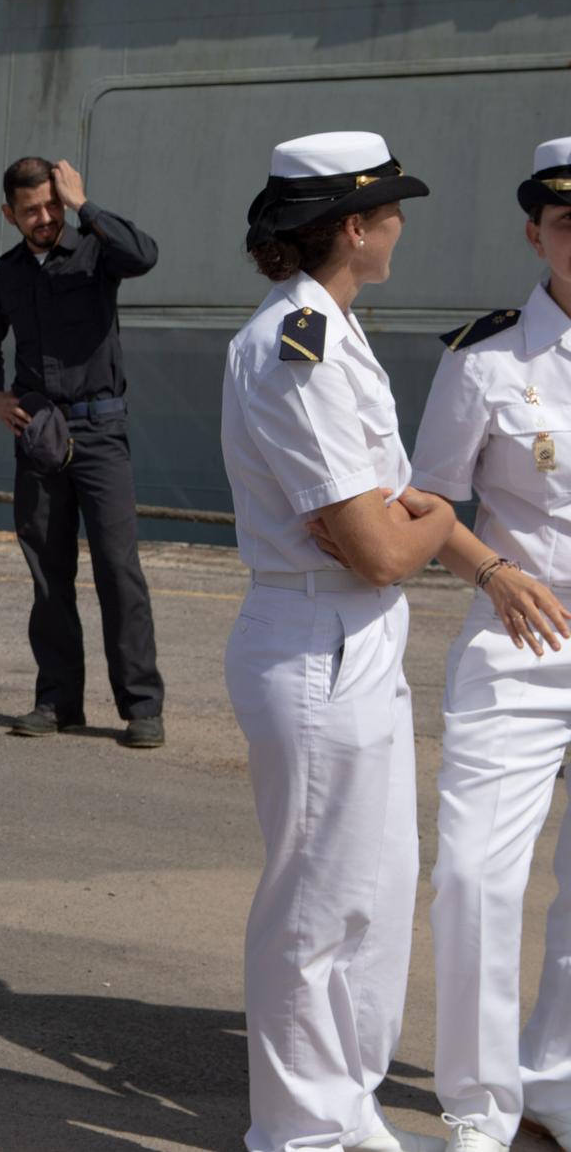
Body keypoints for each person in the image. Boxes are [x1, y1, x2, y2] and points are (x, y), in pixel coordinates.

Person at [220, 131, 453, 1152]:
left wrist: (417, 523)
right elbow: (376, 545)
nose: (399, 228)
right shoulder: (292, 344)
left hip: (353, 635)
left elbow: (381, 516)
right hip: (314, 630)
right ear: (353, 227)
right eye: (389, 212)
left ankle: (344, 1104)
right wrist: (435, 523)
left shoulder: (332, 330)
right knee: (313, 905)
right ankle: (296, 1132)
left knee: (371, 893)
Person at [410, 137, 571, 1152]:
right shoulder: (486, 355)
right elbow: (426, 500)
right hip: (518, 640)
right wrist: (489, 571)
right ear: (534, 232)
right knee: (473, 872)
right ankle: (476, 1103)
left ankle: (553, 1080)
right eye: (565, 225)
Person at [0, 156, 166, 746]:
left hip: (102, 433)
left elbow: (145, 255)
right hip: (42, 437)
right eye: (31, 210)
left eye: (52, 205)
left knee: (117, 568)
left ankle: (141, 707)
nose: (44, 217)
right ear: (10, 214)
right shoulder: (6, 273)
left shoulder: (97, 249)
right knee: (48, 573)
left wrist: (87, 205)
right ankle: (57, 702)